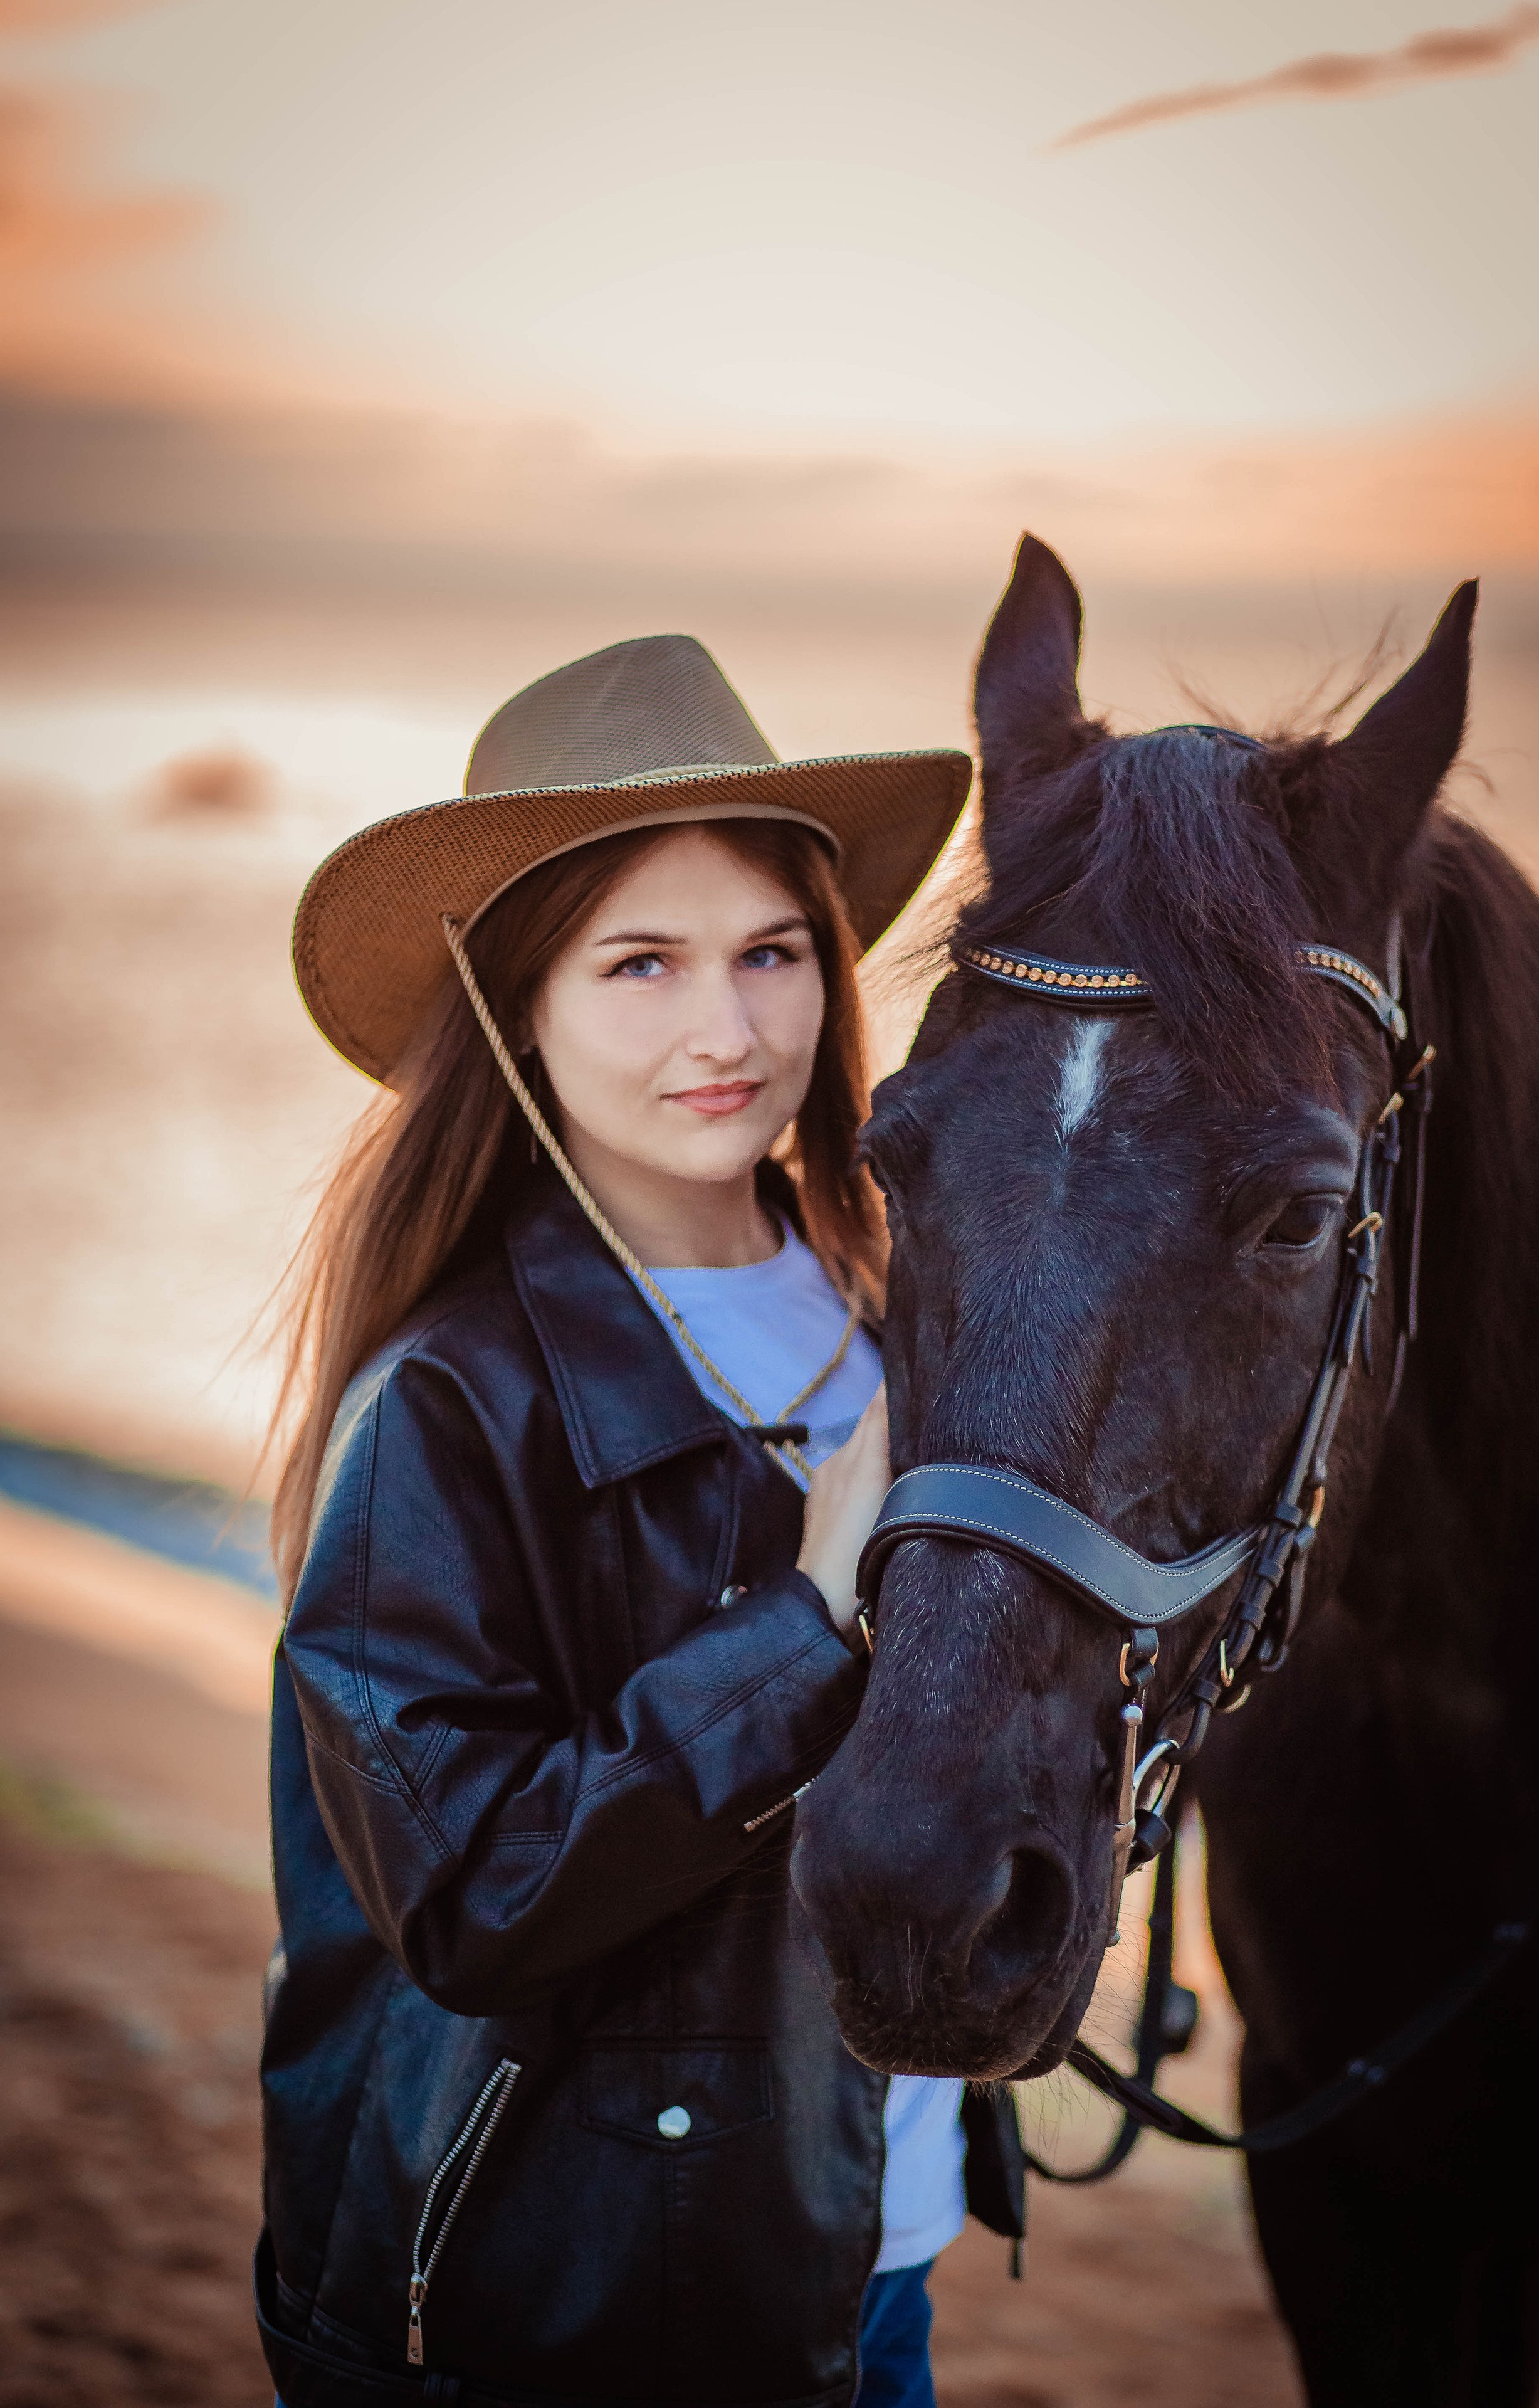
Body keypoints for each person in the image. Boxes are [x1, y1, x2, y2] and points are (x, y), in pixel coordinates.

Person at [256, 633, 1024, 2408]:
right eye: (641, 964)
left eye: (771, 954)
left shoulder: (896, 1310)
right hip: (575, 2286)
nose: (728, 1030)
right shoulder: (448, 1403)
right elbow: (469, 1892)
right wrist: (812, 1622)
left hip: (858, 2243)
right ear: (517, 1002)